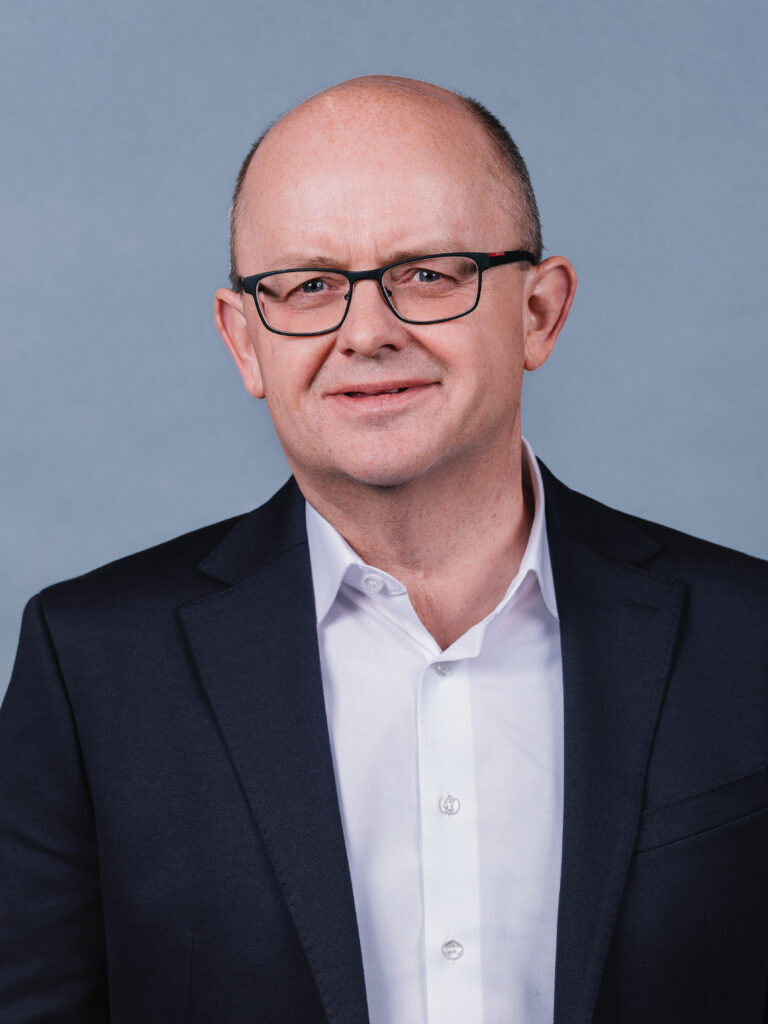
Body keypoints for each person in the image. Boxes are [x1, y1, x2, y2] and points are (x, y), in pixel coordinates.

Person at [0, 75, 766, 1024]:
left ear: (539, 312)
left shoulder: (751, 640)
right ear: (244, 342)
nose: (366, 332)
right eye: (309, 285)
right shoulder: (93, 666)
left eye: (429, 273)